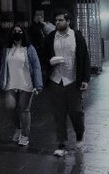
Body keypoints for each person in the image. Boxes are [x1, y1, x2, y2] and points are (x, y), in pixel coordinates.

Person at [41, 10, 90, 157]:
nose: (57, 23)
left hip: (73, 80)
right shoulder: (50, 38)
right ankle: (61, 144)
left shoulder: (77, 36)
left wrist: (85, 79)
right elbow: (43, 56)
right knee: (59, 114)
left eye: (61, 20)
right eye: (56, 20)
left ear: (68, 22)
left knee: (76, 111)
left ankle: (80, 137)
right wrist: (50, 61)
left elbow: (85, 58)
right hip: (56, 80)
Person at [0, 24, 43, 147]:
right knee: (10, 107)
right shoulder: (7, 49)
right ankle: (17, 128)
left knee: (24, 109)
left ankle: (25, 135)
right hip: (11, 83)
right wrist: (1, 79)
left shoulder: (29, 48)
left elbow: (36, 66)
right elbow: (3, 66)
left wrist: (38, 84)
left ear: (23, 33)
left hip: (26, 83)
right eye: (14, 31)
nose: (17, 33)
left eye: (19, 31)